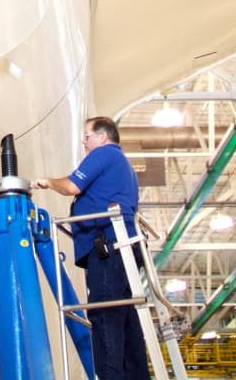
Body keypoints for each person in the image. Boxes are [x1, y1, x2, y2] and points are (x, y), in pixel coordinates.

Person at [35, 116, 150, 379]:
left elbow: (72, 186)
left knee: (105, 316)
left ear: (102, 136)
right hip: (123, 248)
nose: (84, 143)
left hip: (108, 248)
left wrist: (47, 182)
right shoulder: (123, 166)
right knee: (125, 319)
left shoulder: (104, 154)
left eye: (87, 136)